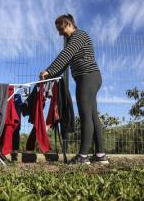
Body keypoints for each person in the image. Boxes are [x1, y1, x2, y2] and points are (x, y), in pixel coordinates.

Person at [40, 14, 108, 165]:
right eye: (58, 30)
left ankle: (83, 156)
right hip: (91, 77)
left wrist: (49, 70)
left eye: (61, 28)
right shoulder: (74, 40)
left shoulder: (78, 35)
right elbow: (66, 62)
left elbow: (66, 54)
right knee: (92, 115)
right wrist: (52, 74)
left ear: (69, 24)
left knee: (85, 115)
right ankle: (100, 154)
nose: (59, 33)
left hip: (87, 77)